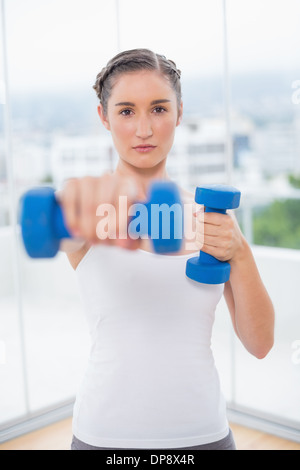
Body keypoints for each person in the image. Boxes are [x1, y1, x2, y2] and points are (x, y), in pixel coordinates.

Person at [59, 49, 275, 451]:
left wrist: (240, 252)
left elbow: (260, 344)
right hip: (104, 438)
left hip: (204, 435)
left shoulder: (212, 219)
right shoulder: (86, 207)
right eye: (126, 112)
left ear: (178, 113)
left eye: (158, 108)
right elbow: (59, 226)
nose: (144, 129)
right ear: (104, 117)